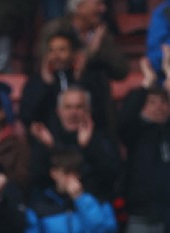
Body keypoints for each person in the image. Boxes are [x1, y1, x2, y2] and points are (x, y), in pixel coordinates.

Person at [117, 59, 170, 233]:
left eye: (163, 102)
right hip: (140, 216)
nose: (158, 107)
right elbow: (124, 119)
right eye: (152, 102)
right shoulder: (135, 133)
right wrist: (145, 87)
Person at [37, 0, 128, 134]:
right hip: (59, 113)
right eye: (97, 4)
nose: (102, 9)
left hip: (99, 112)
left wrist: (99, 51)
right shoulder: (55, 29)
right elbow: (52, 63)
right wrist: (91, 51)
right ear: (79, 7)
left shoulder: (102, 34)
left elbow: (121, 70)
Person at [28, 86, 120, 200]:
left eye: (79, 107)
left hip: (92, 206)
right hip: (56, 210)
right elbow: (37, 179)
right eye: (68, 107)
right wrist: (48, 148)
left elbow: (110, 176)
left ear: (88, 110)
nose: (73, 113)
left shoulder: (100, 139)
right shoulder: (47, 138)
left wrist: (88, 147)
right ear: (59, 111)